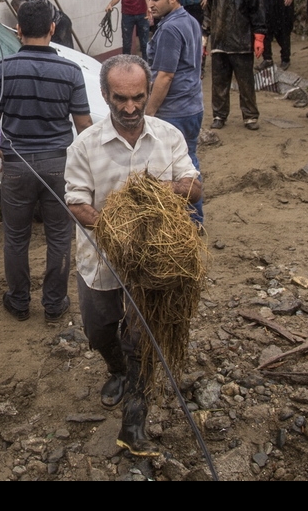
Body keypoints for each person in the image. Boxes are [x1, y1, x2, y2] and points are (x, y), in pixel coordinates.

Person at [64, 55, 202, 456]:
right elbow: (76, 203)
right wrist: (117, 228)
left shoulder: (168, 136)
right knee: (99, 329)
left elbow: (194, 187)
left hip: (153, 266)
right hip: (102, 258)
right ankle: (116, 369)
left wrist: (158, 194)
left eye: (138, 98)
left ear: (147, 94)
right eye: (120, 99)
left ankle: (134, 419)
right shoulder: (84, 146)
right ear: (105, 95)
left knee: (141, 336)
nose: (130, 108)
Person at [0, 0, 92, 322]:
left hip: (16, 167)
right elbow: (83, 125)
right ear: (53, 29)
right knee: (59, 237)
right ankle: (54, 304)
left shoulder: (4, 69)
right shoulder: (70, 71)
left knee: (15, 237)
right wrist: (92, 165)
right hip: (58, 167)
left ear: (19, 30)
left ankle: (19, 302)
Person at [143, 0, 205, 224]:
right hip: (192, 105)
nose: (151, 5)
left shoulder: (170, 28)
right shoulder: (189, 20)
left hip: (174, 110)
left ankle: (189, 222)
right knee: (188, 161)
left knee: (174, 169)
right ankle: (193, 220)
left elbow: (165, 76)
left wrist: (148, 113)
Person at [206, 0, 265, 131]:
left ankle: (250, 116)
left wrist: (259, 37)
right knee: (219, 83)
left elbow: (257, 13)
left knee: (245, 83)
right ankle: (219, 115)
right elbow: (209, 14)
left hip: (241, 43)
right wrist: (204, 36)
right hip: (219, 44)